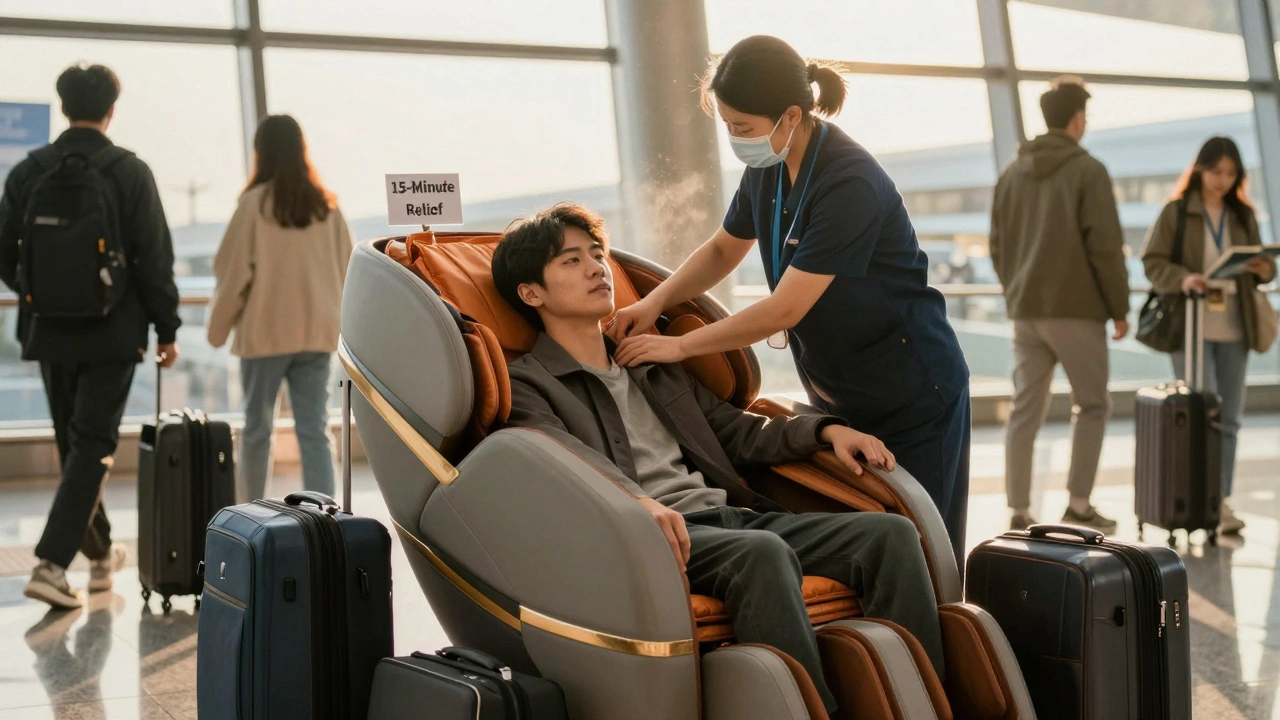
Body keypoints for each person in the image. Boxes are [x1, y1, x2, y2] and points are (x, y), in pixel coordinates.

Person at [493, 203, 944, 715]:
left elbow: (736, 432)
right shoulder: (529, 383)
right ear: (532, 293)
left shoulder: (650, 362)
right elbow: (560, 463)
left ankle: (917, 704)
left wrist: (827, 429)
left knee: (891, 535)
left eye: (596, 254)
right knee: (760, 553)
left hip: (734, 521)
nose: (597, 268)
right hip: (658, 540)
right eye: (571, 262)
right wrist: (636, 501)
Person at [607, 35, 972, 563]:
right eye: (728, 125)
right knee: (864, 546)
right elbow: (722, 249)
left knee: (927, 550)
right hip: (838, 388)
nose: (734, 138)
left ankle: (935, 647)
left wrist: (678, 348)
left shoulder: (850, 181)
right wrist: (654, 301)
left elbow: (785, 309)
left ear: (791, 116)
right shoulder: (769, 167)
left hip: (911, 388)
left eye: (743, 128)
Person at [0, 64, 181, 609]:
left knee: (77, 445)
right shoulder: (129, 171)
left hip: (47, 330)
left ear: (62, 107)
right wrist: (167, 326)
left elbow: (5, 250)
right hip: (112, 329)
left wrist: (36, 293)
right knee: (93, 444)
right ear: (111, 110)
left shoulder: (30, 171)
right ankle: (51, 564)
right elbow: (154, 256)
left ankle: (100, 557)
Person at [988, 76, 1130, 532]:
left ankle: (1018, 509)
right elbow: (1105, 246)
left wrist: (1016, 290)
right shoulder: (1088, 170)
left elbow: (996, 245)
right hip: (1076, 308)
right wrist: (1120, 307)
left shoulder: (1011, 173)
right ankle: (1079, 504)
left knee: (1026, 409)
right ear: (1076, 119)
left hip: (1026, 310)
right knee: (1092, 405)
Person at [207, 114, 353, 501]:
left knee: (257, 431)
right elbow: (348, 269)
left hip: (264, 336)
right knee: (315, 430)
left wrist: (217, 330)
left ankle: (251, 514)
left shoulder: (254, 205)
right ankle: (326, 516)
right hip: (317, 335)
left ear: (262, 153)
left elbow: (232, 273)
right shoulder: (328, 207)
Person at [1142, 136, 1277, 536]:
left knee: (1230, 417)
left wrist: (1261, 268)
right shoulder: (1178, 212)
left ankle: (1220, 502)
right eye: (1217, 171)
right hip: (1192, 325)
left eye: (1231, 173)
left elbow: (1267, 271)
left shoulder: (1242, 214)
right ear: (1200, 168)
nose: (1223, 180)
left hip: (1235, 325)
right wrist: (1184, 279)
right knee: (1199, 414)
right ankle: (1194, 501)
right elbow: (1152, 262)